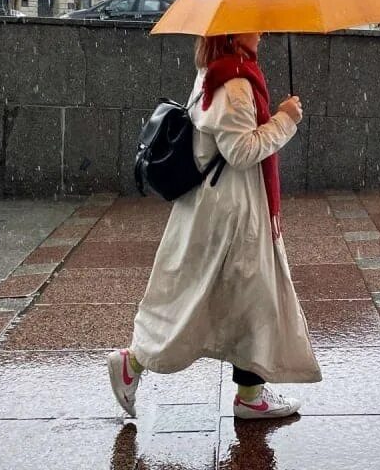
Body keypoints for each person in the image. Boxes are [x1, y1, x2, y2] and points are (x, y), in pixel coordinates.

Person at [108, 33, 321, 420]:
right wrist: (285, 120)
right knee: (232, 302)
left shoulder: (216, 71)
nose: (261, 32)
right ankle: (135, 362)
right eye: (253, 26)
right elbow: (241, 151)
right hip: (233, 212)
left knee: (244, 301)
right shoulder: (235, 83)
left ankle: (248, 394)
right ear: (233, 33)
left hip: (221, 205)